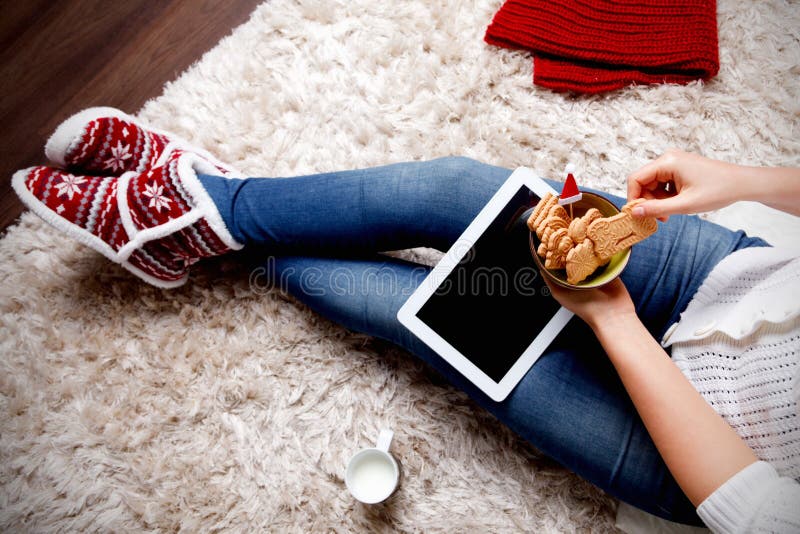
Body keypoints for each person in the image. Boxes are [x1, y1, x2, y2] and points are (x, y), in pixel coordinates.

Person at [12, 108, 800, 531]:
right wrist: (747, 180)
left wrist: (614, 323)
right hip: (734, 281)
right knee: (451, 188)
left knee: (387, 305)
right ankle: (216, 205)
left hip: (704, 464)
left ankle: (205, 220)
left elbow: (762, 515)